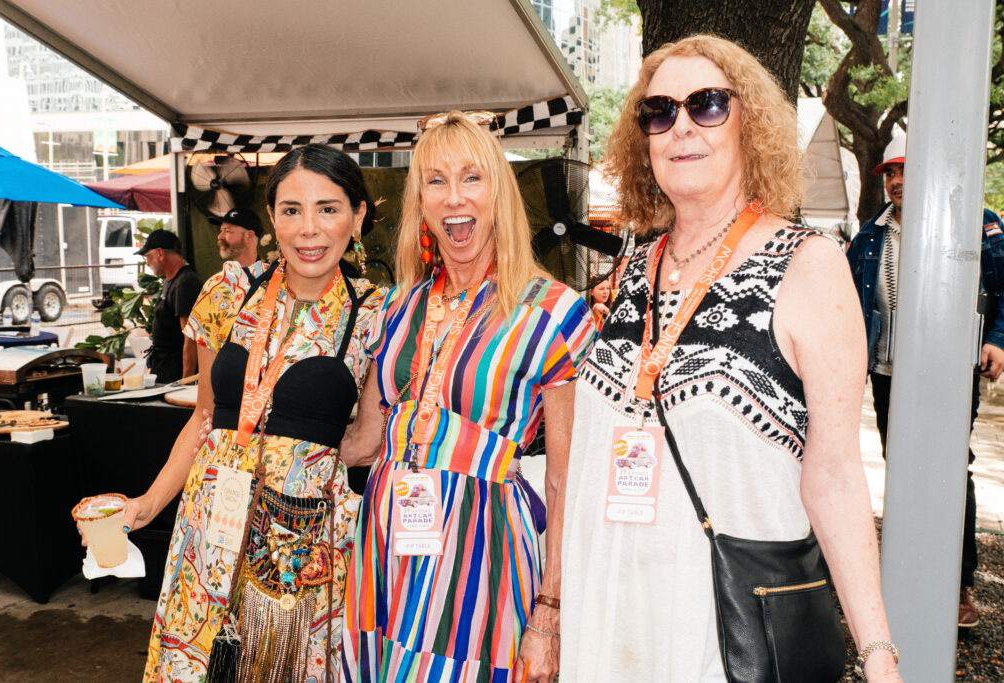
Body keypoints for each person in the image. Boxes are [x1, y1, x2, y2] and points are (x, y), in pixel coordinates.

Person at [560, 35, 902, 682]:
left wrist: (879, 651)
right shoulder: (633, 271)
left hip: (719, 634)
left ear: (753, 123)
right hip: (607, 622)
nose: (680, 126)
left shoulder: (809, 265)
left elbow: (833, 475)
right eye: (658, 112)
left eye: (707, 105)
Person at [339, 112, 596, 683]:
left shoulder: (554, 313)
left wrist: (550, 614)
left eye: (471, 178)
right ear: (420, 203)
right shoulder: (399, 308)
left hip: (482, 558)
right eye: (435, 180)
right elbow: (366, 441)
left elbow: (567, 479)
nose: (454, 196)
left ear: (498, 192)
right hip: (386, 551)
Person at [115, 144, 383, 681]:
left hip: (301, 541)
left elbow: (368, 440)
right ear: (273, 220)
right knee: (196, 665)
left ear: (357, 217)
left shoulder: (378, 311)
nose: (309, 229)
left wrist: (300, 474)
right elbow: (204, 419)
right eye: (291, 210)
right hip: (210, 523)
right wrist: (148, 503)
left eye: (328, 209)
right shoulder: (228, 291)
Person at [846, 133, 1004, 628]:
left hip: (950, 371)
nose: (895, 181)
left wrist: (997, 338)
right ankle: (907, 575)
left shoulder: (978, 223)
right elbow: (850, 305)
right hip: (887, 371)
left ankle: (957, 586)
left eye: (905, 170)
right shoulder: (870, 236)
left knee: (952, 467)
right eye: (890, 173)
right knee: (902, 466)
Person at [138, 229, 203, 383]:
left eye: (148, 256)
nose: (147, 263)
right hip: (163, 366)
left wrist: (185, 382)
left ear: (160, 253)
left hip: (176, 370)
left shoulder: (185, 282)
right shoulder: (170, 280)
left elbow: (191, 337)